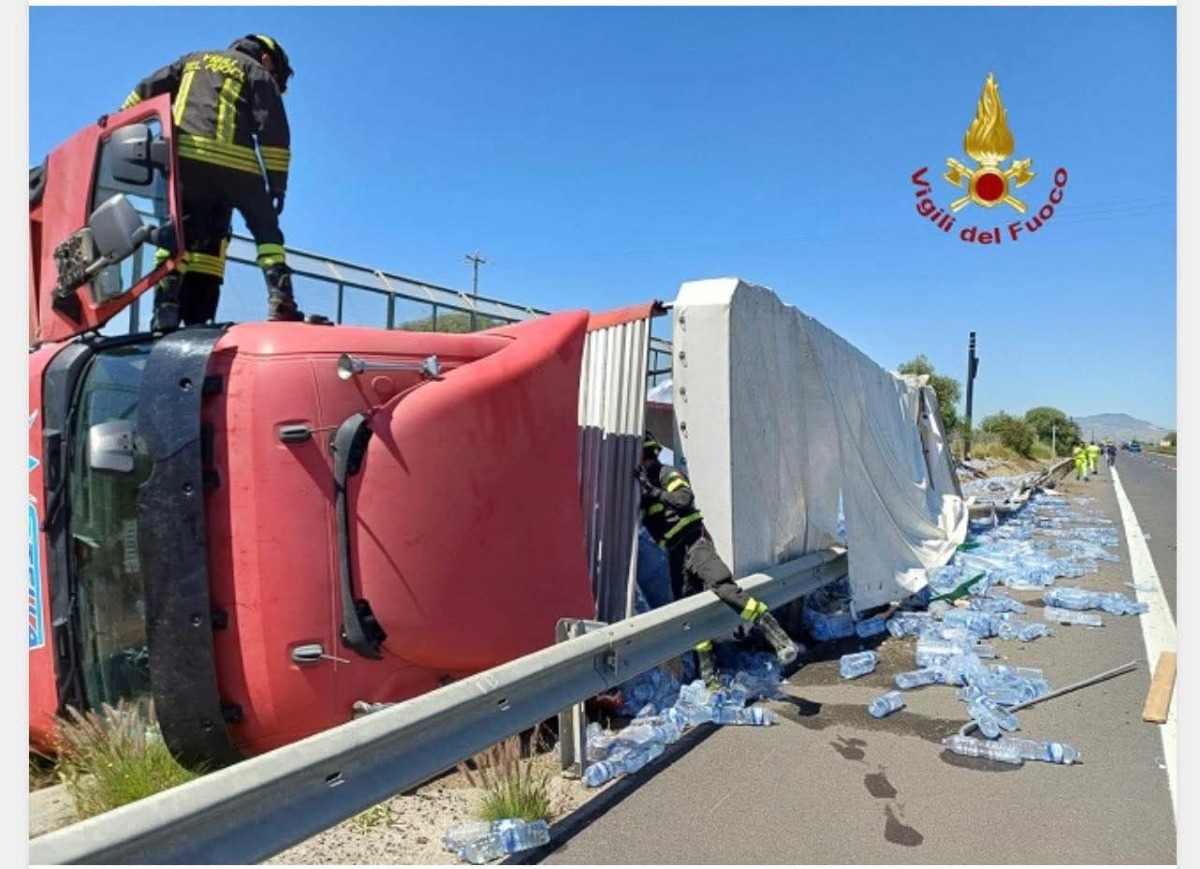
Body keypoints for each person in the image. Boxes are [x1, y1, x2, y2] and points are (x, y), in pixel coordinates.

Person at [120, 35, 308, 328]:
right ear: (267, 58)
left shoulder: (192, 60)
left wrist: (117, 123)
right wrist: (277, 184)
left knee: (179, 233)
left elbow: (146, 89)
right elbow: (273, 132)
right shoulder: (257, 72)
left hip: (186, 159)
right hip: (237, 163)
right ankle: (281, 299)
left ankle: (165, 306)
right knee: (266, 230)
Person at [636, 432, 803, 685]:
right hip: (676, 554)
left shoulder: (666, 474)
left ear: (647, 455)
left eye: (640, 458)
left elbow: (684, 499)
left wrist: (655, 493)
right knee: (689, 616)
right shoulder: (645, 488)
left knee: (723, 587)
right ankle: (709, 679)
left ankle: (776, 636)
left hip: (696, 543)